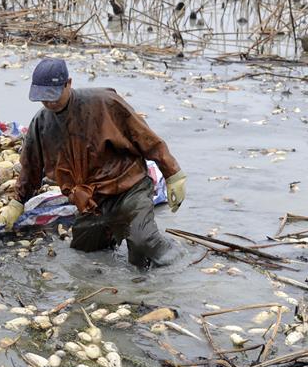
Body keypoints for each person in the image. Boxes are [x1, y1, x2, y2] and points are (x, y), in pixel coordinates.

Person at [15, 59, 187, 268]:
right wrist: (18, 201)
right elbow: (30, 167)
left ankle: (178, 258)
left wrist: (173, 175)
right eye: (43, 99)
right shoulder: (41, 123)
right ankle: (111, 236)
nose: (49, 103)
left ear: (68, 83)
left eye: (53, 96)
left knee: (143, 244)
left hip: (128, 188)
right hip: (91, 200)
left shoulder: (105, 102)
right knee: (84, 254)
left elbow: (146, 138)